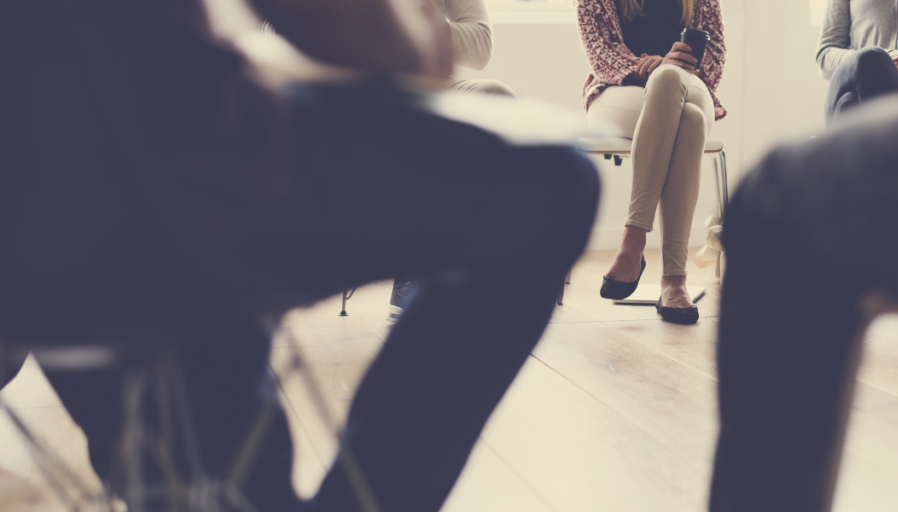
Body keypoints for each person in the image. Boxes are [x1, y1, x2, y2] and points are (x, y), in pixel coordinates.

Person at [0, 1, 598, 511]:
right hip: (177, 204)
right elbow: (366, 36)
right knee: (554, 186)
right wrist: (414, 34)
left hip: (30, 248)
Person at [709, 0, 898, 509]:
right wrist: (877, 57)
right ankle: (889, 179)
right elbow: (825, 54)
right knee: (872, 63)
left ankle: (886, 200)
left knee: (774, 202)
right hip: (857, 87)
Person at [576, 0, 726, 324]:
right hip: (619, 87)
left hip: (688, 82)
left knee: (671, 84)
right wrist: (651, 64)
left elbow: (714, 57)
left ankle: (633, 242)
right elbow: (599, 52)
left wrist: (672, 67)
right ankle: (675, 279)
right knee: (690, 118)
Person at [388, 0, 517, 323]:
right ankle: (417, 266)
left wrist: (420, 24)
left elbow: (480, 47)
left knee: (496, 98)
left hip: (428, 88)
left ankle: (467, 268)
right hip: (353, 89)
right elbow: (273, 29)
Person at [817, 0, 898, 126]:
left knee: (850, 102)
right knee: (872, 59)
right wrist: (887, 56)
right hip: (856, 77)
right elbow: (824, 55)